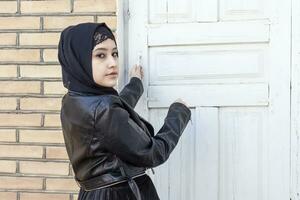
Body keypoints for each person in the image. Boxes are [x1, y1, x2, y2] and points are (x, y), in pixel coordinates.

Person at [58, 22, 191, 200]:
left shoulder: (73, 99)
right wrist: (178, 114)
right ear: (79, 59)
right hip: (120, 194)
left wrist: (135, 84)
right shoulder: (105, 111)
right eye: (100, 55)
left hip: (92, 194)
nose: (112, 63)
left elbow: (112, 114)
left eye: (114, 53)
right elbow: (153, 153)